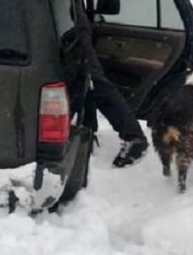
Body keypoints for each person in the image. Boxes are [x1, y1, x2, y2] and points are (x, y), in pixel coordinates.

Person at [64, 23, 149, 168]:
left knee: (94, 83)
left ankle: (134, 137)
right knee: (86, 84)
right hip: (70, 31)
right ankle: (87, 130)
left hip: (71, 35)